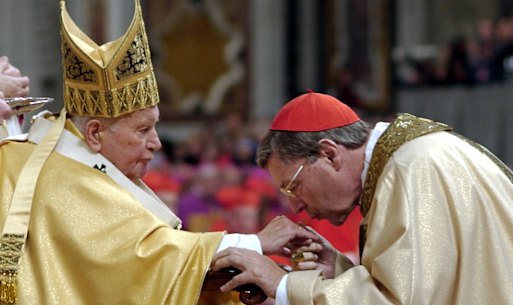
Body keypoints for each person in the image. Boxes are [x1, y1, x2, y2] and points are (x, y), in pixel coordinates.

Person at [0, 1, 317, 304]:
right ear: (95, 132)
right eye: (142, 130)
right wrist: (254, 243)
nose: (156, 143)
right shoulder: (63, 171)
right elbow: (136, 255)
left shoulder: (65, 155)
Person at [212, 91, 513, 304]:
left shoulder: (412, 169)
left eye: (293, 186)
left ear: (329, 155)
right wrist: (340, 271)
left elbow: (400, 301)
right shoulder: (410, 158)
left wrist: (281, 284)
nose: (296, 206)